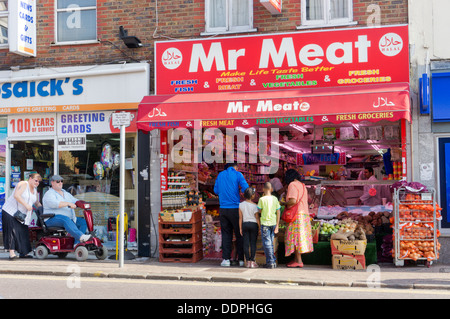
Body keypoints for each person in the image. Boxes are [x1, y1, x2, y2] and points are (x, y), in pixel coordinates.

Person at [214, 162, 249, 267]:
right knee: (239, 234)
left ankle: (226, 259)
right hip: (235, 208)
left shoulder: (220, 175)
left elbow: (216, 190)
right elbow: (246, 189)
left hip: (223, 209)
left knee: (226, 234)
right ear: (236, 167)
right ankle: (241, 259)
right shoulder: (238, 174)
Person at [2, 173, 42, 259]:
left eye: (38, 181)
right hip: (10, 211)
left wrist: (43, 209)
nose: (37, 183)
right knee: (12, 231)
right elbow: (16, 195)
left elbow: (36, 202)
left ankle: (24, 253)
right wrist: (26, 205)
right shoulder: (23, 184)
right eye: (36, 180)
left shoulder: (35, 190)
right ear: (30, 179)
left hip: (21, 215)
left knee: (23, 232)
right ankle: (12, 254)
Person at [43, 175, 91, 245]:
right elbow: (54, 204)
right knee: (65, 219)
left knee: (83, 222)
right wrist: (68, 203)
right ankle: (81, 236)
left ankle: (77, 244)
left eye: (61, 181)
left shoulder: (65, 193)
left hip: (69, 218)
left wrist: (82, 203)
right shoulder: (49, 194)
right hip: (51, 219)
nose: (60, 183)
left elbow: (74, 201)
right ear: (52, 183)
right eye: (58, 181)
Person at [283, 169, 313, 268]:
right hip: (304, 215)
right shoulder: (303, 185)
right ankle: (296, 259)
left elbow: (293, 201)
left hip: (296, 215)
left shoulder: (292, 184)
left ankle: (299, 260)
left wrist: (283, 203)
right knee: (299, 238)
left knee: (295, 237)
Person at [257, 182, 281, 269]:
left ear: (263, 189)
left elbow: (259, 211)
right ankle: (271, 261)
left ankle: (270, 262)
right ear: (271, 189)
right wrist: (277, 225)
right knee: (270, 243)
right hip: (273, 223)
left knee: (267, 243)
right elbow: (278, 212)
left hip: (265, 223)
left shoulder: (261, 199)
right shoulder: (275, 199)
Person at [239, 187, 259, 268]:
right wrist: (260, 227)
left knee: (246, 243)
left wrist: (240, 228)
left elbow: (240, 217)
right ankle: (252, 261)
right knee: (253, 243)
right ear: (252, 196)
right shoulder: (255, 206)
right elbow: (257, 218)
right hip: (254, 224)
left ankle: (247, 261)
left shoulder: (241, 205)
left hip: (245, 224)